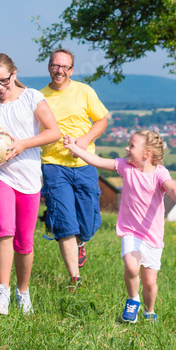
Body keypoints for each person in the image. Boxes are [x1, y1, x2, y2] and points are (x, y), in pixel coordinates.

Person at [0, 53, 61, 316]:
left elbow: (54, 131)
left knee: (24, 242)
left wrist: (22, 144)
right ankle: (2, 293)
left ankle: (23, 292)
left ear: (14, 74)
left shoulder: (32, 98)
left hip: (28, 177)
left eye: (3, 81)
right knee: (5, 229)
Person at [63, 129, 176, 322]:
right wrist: (74, 148)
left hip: (152, 235)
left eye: (131, 145)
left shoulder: (159, 173)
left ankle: (149, 312)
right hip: (130, 230)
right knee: (131, 268)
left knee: (150, 282)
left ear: (147, 154)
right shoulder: (125, 167)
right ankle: (133, 300)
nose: (126, 148)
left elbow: (172, 188)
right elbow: (97, 161)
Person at [40, 48, 109, 288]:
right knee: (64, 221)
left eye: (64, 67)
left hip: (84, 164)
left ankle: (81, 242)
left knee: (89, 224)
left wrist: (84, 140)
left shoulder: (84, 91)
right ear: (49, 66)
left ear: (71, 70)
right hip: (53, 165)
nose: (59, 70)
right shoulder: (39, 97)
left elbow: (101, 120)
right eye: (55, 65)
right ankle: (75, 278)